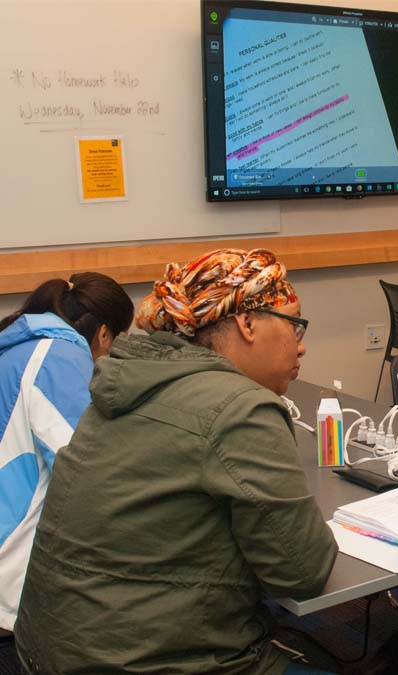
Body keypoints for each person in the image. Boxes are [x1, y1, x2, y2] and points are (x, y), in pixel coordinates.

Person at [15, 249, 344, 674]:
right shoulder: (241, 407)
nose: (301, 346)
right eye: (294, 325)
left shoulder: (125, 382)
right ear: (246, 323)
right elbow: (303, 573)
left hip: (48, 650)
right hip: (145, 662)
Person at [0, 272, 133, 635]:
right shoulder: (57, 358)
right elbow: (87, 472)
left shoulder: (19, 347)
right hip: (13, 577)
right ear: (104, 334)